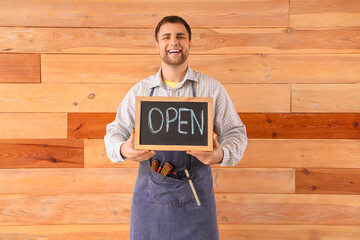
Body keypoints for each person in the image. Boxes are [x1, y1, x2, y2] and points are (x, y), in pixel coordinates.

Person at [104, 15, 247, 240]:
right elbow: (114, 131)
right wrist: (124, 149)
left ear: (189, 43)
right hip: (149, 205)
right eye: (167, 37)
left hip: (197, 202)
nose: (174, 42)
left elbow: (236, 133)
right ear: (158, 44)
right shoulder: (140, 91)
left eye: (181, 36)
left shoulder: (212, 88)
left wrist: (220, 154)